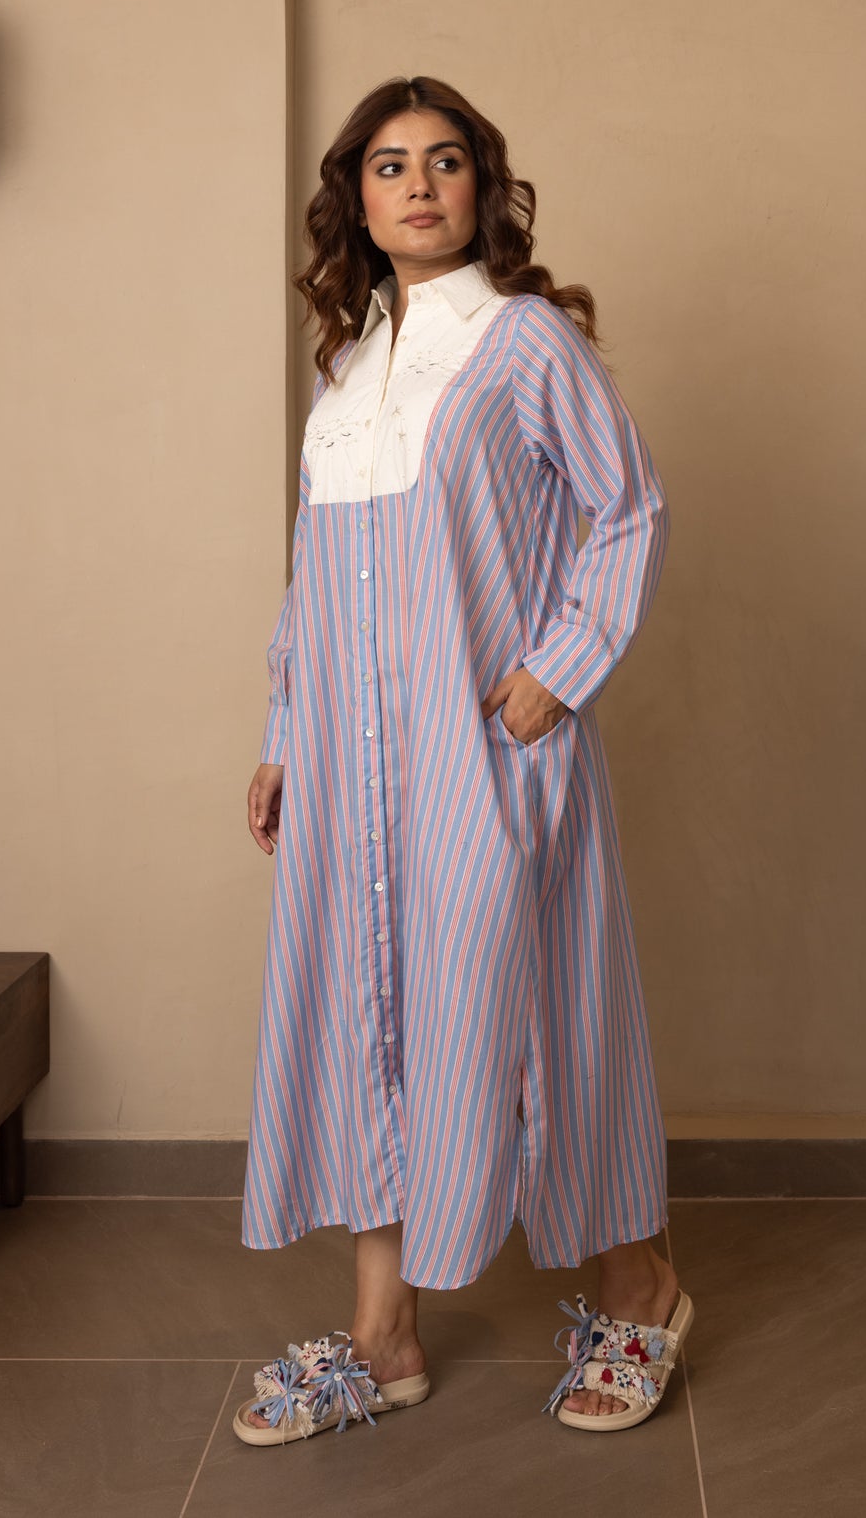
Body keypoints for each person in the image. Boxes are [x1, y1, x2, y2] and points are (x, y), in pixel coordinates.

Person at [234, 75, 693, 1446]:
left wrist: (559, 669)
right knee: (370, 1011)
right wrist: (284, 734)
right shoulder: (346, 371)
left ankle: (643, 1289)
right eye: (389, 165)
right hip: (349, 769)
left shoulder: (525, 340)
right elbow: (315, 577)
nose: (419, 185)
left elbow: (629, 507)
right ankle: (384, 1338)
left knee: (545, 1009)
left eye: (444, 161)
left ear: (481, 188)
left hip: (487, 750)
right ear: (357, 199)